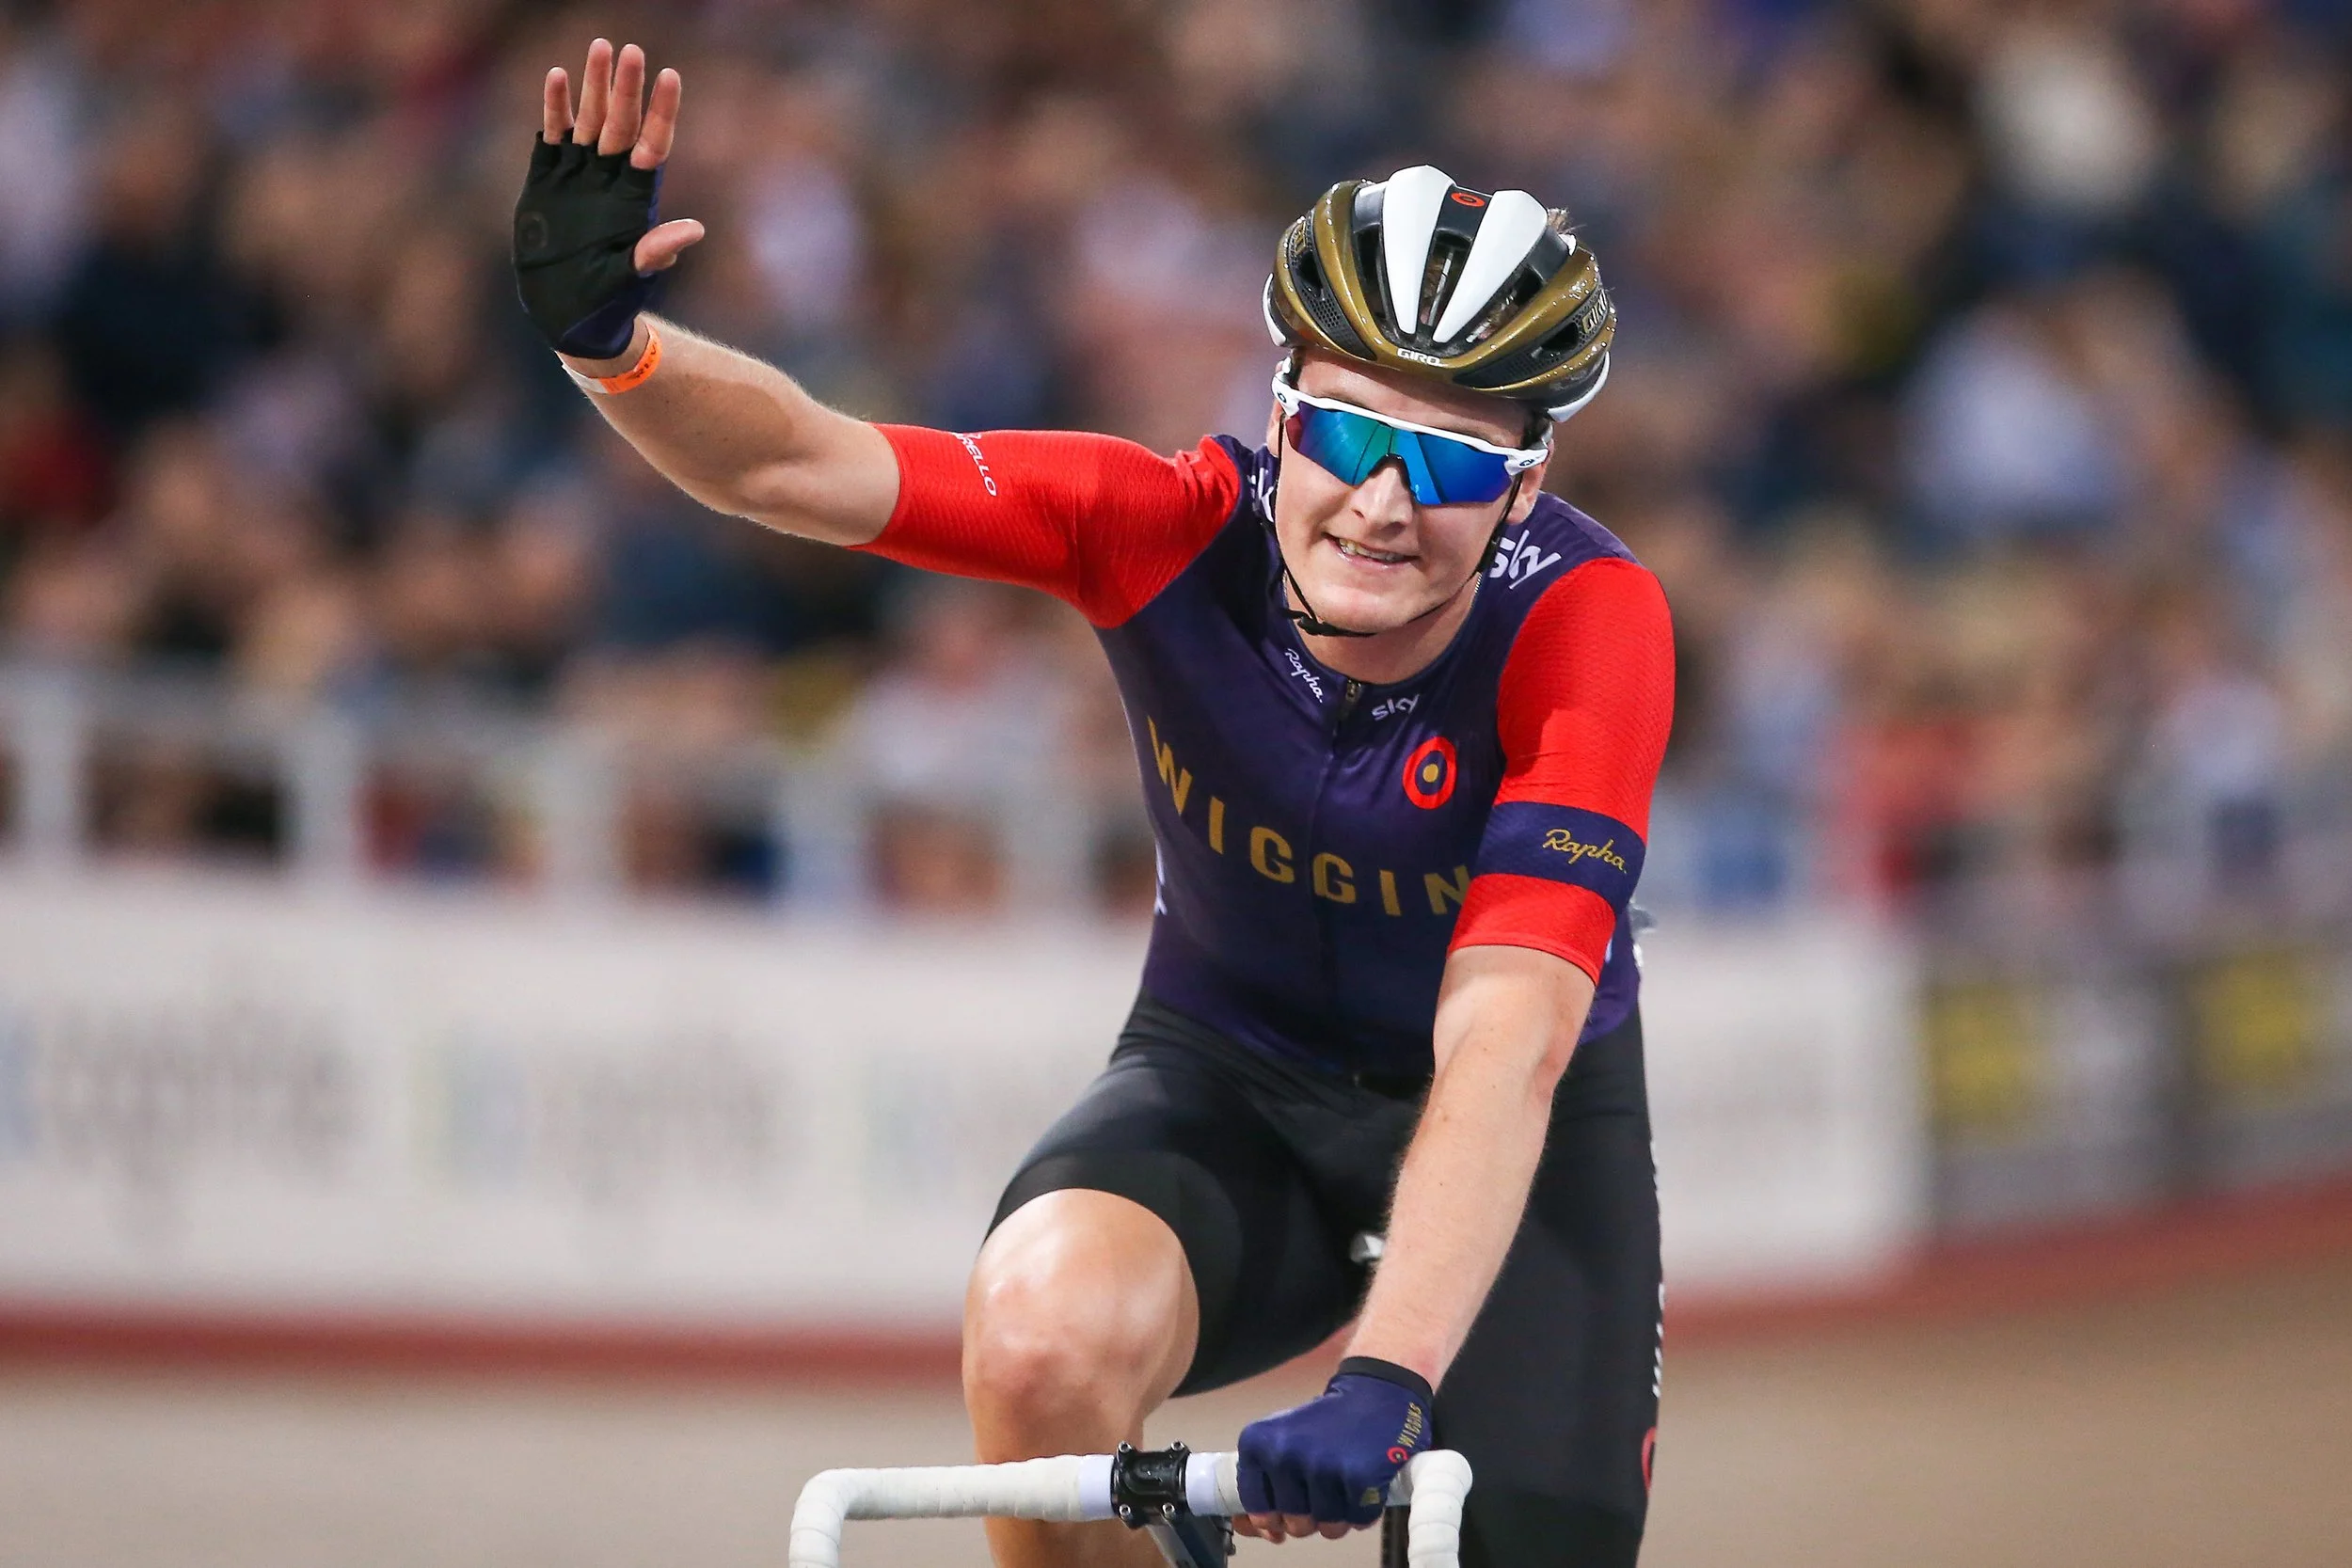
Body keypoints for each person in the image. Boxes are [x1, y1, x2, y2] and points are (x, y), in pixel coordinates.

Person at [516, 40, 1674, 1567]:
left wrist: (1386, 1377)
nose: (1384, 503)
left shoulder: (1589, 621)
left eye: (1451, 461)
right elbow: (802, 463)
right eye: (1345, 431)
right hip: (1235, 1073)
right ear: (1279, 415)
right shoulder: (1163, 524)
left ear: (1526, 487)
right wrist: (613, 343)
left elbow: (1507, 1039)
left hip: (1509, 1128)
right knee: (1039, 1352)